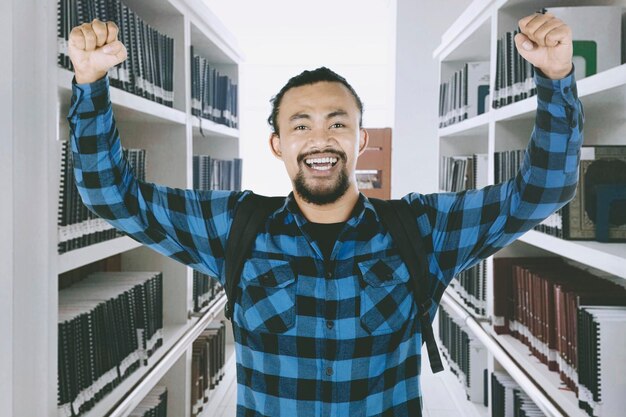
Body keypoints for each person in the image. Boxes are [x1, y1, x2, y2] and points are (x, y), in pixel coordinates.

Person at [67, 11, 583, 417]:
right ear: (277, 144)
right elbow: (112, 196)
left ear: (360, 140)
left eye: (338, 124)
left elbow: (542, 191)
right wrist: (90, 85)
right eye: (301, 125)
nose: (320, 139)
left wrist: (555, 78)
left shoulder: (423, 230)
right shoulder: (234, 227)